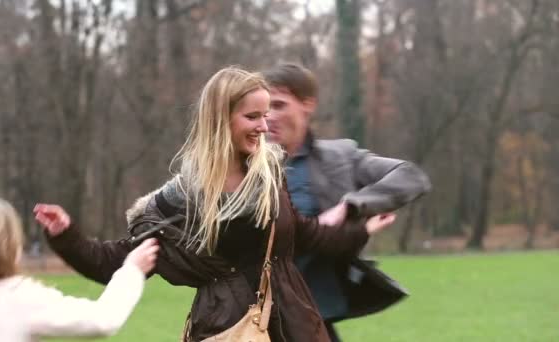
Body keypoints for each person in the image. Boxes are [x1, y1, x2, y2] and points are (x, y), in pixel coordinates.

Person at [35, 66, 395, 342]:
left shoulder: (269, 175)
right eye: (252, 117)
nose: (263, 126)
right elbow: (114, 262)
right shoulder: (180, 201)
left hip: (293, 325)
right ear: (221, 120)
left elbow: (302, 233)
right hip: (226, 330)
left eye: (266, 115)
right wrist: (65, 235)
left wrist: (358, 231)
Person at [263, 63, 431, 341]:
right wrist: (356, 231)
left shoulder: (339, 158)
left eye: (279, 105)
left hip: (311, 320)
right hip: (253, 318)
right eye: (264, 107)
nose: (269, 117)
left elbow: (410, 177)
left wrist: (350, 205)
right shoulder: (241, 166)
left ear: (308, 104)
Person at [0, 194, 159, 342]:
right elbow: (102, 320)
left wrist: (66, 237)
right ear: (4, 248)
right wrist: (132, 270)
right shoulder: (15, 295)